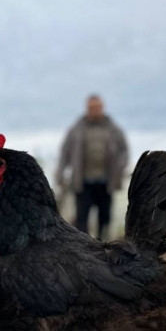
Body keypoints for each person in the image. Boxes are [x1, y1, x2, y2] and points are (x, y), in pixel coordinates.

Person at [56, 94, 128, 240]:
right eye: (91, 108)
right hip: (83, 183)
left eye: (97, 107)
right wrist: (60, 174)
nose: (95, 110)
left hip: (106, 182)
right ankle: (85, 247)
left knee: (105, 217)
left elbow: (124, 151)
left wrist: (119, 168)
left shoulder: (113, 129)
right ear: (87, 109)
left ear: (102, 108)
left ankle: (104, 245)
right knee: (82, 219)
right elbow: (65, 153)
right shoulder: (76, 129)